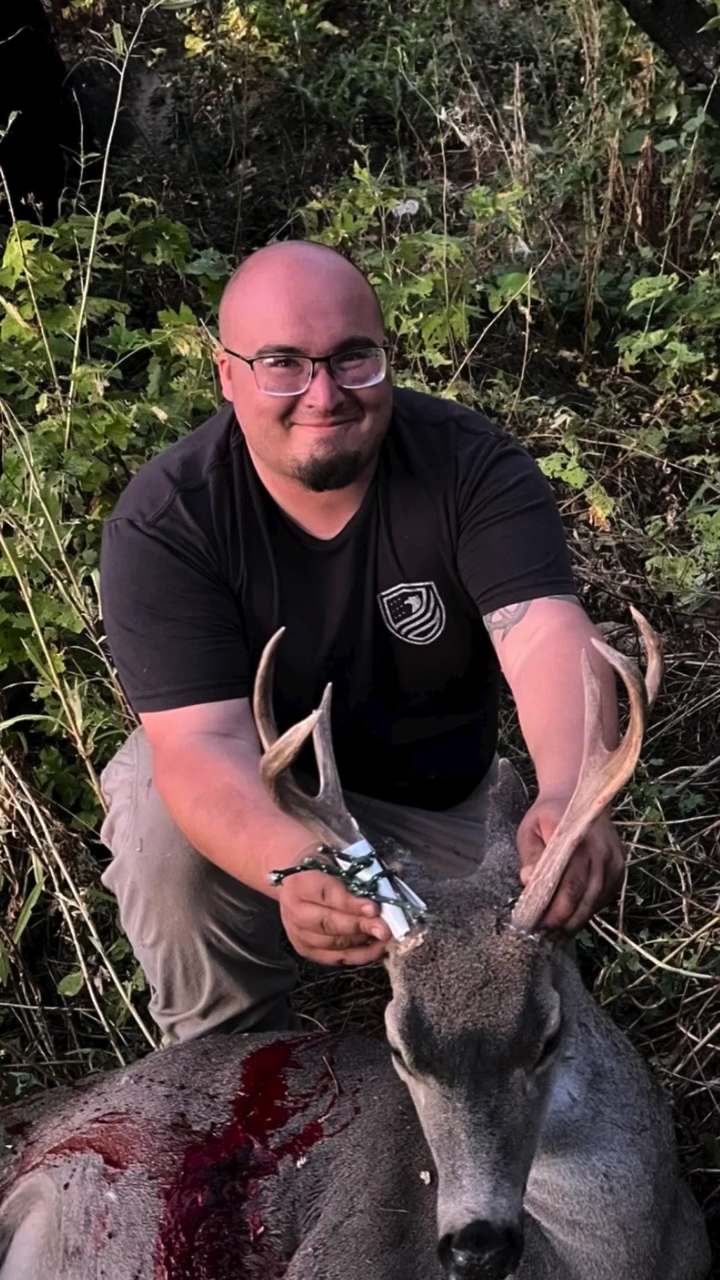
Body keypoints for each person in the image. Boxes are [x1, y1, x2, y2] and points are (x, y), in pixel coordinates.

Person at [99, 240, 624, 1043]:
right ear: (227, 375)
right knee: (154, 803)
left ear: (386, 355)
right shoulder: (168, 521)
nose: (324, 394)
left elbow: (546, 634)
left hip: (441, 805)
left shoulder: (469, 465)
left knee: (515, 1022)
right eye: (282, 363)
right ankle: (231, 1059)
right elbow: (201, 743)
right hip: (276, 807)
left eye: (353, 357)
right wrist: (297, 867)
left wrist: (570, 792)